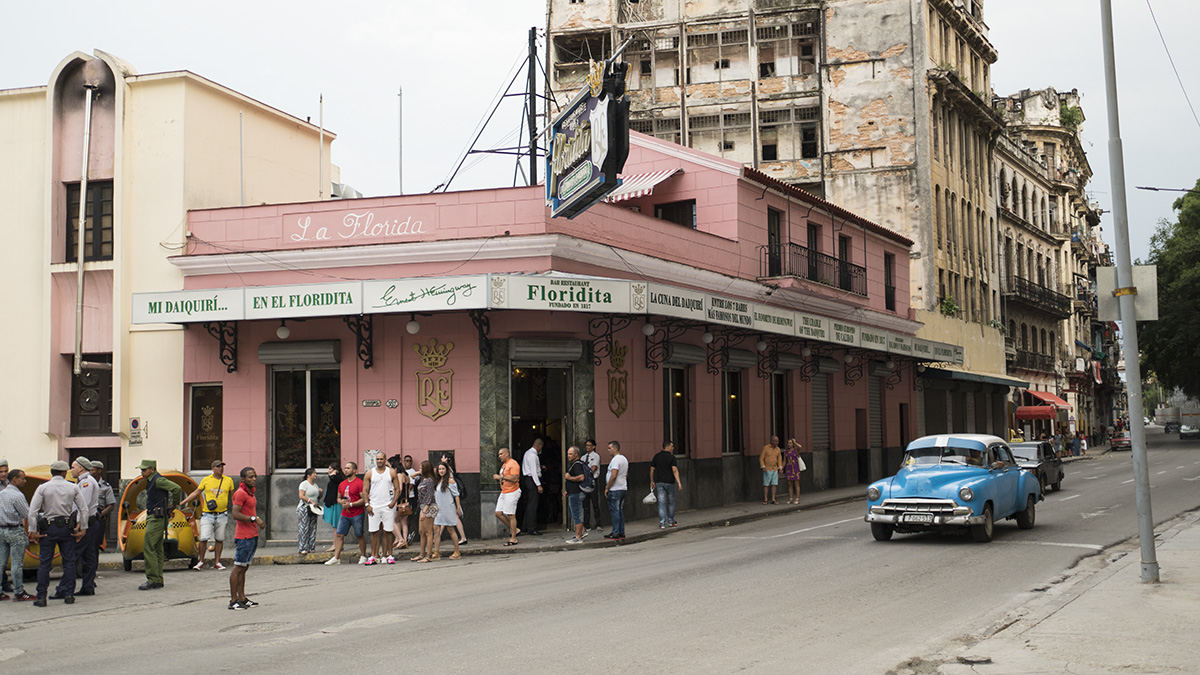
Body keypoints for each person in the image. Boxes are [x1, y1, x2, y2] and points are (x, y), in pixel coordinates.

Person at [27, 460, 87, 605]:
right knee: (69, 562)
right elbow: (83, 509)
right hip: (67, 528)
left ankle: (41, 597)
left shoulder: (43, 488)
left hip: (48, 528)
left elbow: (32, 511)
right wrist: (83, 528)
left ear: (52, 472)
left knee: (45, 564)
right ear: (63, 472)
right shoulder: (73, 487)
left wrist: (32, 531)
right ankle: (69, 595)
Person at [135, 459, 183, 590]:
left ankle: (152, 579)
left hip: (156, 517)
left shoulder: (158, 480)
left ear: (152, 469)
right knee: (157, 548)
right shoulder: (153, 480)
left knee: (148, 547)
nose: (142, 472)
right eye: (142, 470)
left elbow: (176, 488)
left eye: (144, 470)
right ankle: (157, 579)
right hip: (157, 516)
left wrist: (174, 504)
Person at [179, 459, 234, 570]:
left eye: (222, 466)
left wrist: (237, 508)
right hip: (208, 514)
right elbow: (196, 492)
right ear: (213, 469)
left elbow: (233, 497)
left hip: (222, 514)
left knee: (219, 538)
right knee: (203, 538)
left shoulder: (228, 480)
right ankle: (200, 561)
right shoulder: (206, 480)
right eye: (218, 466)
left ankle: (217, 562)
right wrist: (182, 502)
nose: (220, 468)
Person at [228, 467, 262, 610]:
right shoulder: (240, 493)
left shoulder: (250, 493)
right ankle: (233, 600)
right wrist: (254, 519)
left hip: (252, 535)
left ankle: (242, 598)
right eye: (250, 477)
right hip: (244, 536)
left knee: (244, 567)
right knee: (238, 567)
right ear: (242, 479)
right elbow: (235, 514)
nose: (253, 479)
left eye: (254, 476)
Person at [70, 457, 102, 596]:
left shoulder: (86, 483)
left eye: (73, 467)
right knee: (88, 556)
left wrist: (78, 525)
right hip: (89, 522)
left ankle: (67, 588)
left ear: (81, 468)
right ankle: (88, 586)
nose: (71, 470)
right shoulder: (85, 481)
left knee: (75, 555)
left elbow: (83, 506)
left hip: (86, 522)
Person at [0, 469, 33, 601]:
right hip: (15, 530)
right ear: (14, 479)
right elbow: (27, 514)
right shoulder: (17, 496)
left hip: (1, 530)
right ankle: (19, 592)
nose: (24, 481)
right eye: (22, 478)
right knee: (16, 563)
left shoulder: (1, 493)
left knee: (1, 563)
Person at [325, 462, 367, 565]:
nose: (346, 470)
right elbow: (338, 497)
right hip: (345, 514)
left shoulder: (359, 483)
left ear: (354, 470)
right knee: (339, 534)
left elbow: (364, 499)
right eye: (345, 468)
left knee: (359, 535)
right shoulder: (342, 484)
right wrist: (341, 502)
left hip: (357, 513)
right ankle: (336, 558)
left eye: (348, 468)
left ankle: (363, 556)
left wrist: (351, 504)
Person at [363, 451, 401, 565]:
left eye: (381, 459)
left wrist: (394, 502)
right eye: (377, 459)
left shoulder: (391, 472)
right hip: (374, 506)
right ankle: (374, 555)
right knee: (374, 532)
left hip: (387, 506)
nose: (379, 461)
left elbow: (397, 488)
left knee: (388, 531)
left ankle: (387, 555)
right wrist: (367, 505)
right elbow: (365, 490)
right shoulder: (370, 473)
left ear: (385, 460)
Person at [432, 462, 463, 560]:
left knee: (450, 529)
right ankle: (436, 551)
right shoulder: (437, 481)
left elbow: (456, 495)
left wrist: (458, 508)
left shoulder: (450, 481)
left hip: (448, 508)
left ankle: (457, 551)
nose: (441, 471)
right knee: (436, 529)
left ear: (447, 470)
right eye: (439, 469)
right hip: (438, 508)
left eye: (443, 469)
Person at [650, 441, 682, 529]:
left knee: (661, 503)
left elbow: (652, 469)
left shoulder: (656, 457)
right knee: (671, 501)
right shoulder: (672, 458)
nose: (673, 448)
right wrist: (679, 482)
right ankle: (671, 521)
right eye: (672, 446)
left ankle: (662, 523)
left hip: (659, 482)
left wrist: (652, 481)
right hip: (670, 482)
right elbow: (674, 470)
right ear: (667, 447)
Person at [492, 447, 521, 546]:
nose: (499, 456)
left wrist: (501, 477)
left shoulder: (513, 464)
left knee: (511, 515)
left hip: (512, 491)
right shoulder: (504, 465)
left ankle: (513, 538)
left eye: (501, 454)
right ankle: (515, 530)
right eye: (499, 454)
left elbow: (515, 478)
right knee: (498, 513)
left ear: (507, 454)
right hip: (504, 491)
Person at [603, 441, 629, 541]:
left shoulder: (615, 460)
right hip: (623, 487)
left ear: (615, 448)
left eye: (609, 448)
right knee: (619, 511)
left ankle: (615, 532)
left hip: (615, 489)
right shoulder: (624, 459)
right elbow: (626, 474)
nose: (608, 450)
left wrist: (607, 487)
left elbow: (613, 475)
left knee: (615, 511)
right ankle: (621, 531)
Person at [413, 461, 437, 562]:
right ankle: (422, 553)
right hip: (422, 506)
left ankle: (429, 555)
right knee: (421, 531)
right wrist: (419, 472)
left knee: (428, 532)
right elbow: (411, 476)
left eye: (421, 468)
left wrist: (424, 512)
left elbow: (429, 496)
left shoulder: (430, 481)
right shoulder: (422, 479)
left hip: (429, 506)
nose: (419, 470)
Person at [519, 438, 544, 536]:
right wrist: (539, 485)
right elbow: (533, 471)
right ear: (540, 446)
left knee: (530, 504)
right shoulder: (533, 456)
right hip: (532, 480)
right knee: (533, 505)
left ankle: (525, 526)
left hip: (527, 480)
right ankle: (532, 528)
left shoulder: (527, 453)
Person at [563, 446, 587, 543]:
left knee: (577, 514)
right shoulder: (574, 464)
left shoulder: (577, 465)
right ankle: (582, 530)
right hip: (572, 492)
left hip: (576, 493)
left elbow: (581, 477)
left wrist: (569, 478)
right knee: (571, 511)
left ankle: (578, 537)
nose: (568, 456)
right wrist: (567, 490)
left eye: (570, 454)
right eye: (568, 454)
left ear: (576, 454)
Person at [296, 468, 323, 555]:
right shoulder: (304, 484)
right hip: (305, 507)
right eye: (314, 473)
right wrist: (310, 501)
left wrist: (320, 493)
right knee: (304, 528)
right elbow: (301, 496)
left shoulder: (315, 485)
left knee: (312, 527)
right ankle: (302, 547)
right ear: (309, 475)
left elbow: (317, 497)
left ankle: (311, 547)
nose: (315, 475)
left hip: (313, 508)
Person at [581, 440, 603, 532]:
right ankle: (586, 524)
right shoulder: (583, 457)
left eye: (589, 445)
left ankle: (598, 524)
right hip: (585, 482)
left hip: (593, 480)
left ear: (593, 447)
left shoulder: (596, 456)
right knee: (585, 504)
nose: (587, 447)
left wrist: (585, 473)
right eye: (586, 445)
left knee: (595, 503)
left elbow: (593, 468)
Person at [321, 463, 343, 552]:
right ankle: (339, 544)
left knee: (335, 525)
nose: (329, 471)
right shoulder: (335, 479)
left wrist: (334, 473)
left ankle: (335, 545)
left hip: (335, 503)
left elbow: (335, 479)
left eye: (331, 469)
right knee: (335, 525)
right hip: (331, 502)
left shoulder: (337, 478)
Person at [760, 435, 783, 505]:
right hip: (767, 468)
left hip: (775, 468)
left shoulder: (778, 449)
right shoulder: (766, 448)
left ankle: (773, 498)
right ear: (772, 441)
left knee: (774, 484)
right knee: (766, 484)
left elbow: (779, 459)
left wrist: (780, 468)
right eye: (775, 441)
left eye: (777, 441)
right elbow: (761, 458)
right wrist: (763, 467)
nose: (777, 442)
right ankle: (765, 498)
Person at [782, 439, 805, 504]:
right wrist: (782, 468)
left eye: (790, 443)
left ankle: (797, 499)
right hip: (789, 468)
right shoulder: (785, 451)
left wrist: (795, 442)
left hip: (795, 468)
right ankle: (791, 498)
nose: (788, 444)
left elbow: (800, 447)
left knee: (796, 483)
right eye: (788, 443)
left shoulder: (796, 450)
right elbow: (784, 460)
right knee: (789, 484)